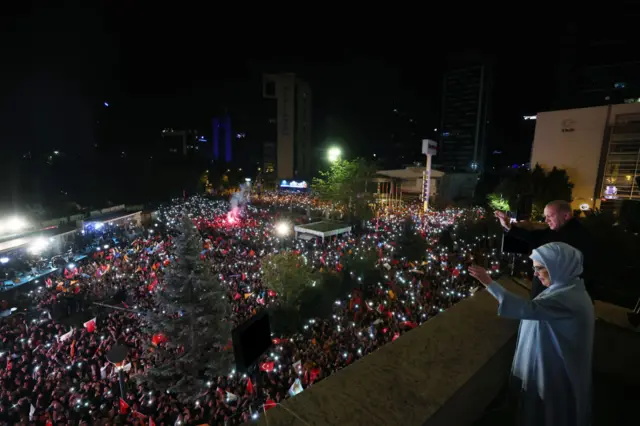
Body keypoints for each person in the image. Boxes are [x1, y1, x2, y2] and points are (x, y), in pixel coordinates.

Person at [469, 242, 594, 426]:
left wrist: (489, 283)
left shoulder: (568, 297)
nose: (534, 274)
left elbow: (528, 309)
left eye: (539, 269)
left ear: (557, 266)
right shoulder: (568, 288)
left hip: (556, 368)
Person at [495, 200, 595, 300]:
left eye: (550, 216)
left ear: (566, 216)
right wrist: (509, 227)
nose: (546, 220)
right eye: (545, 217)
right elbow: (534, 237)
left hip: (555, 295)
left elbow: (536, 238)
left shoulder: (575, 236)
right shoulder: (559, 230)